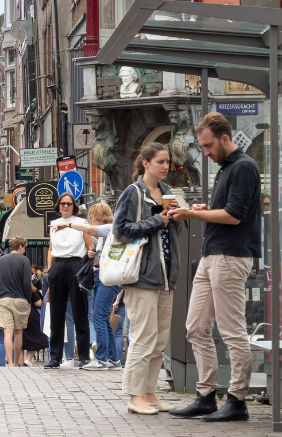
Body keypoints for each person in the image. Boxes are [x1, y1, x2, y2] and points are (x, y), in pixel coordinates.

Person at [170, 113, 261, 422]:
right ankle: (206, 395)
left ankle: (237, 400)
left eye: (209, 146)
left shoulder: (244, 167)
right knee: (195, 326)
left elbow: (235, 216)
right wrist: (205, 209)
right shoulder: (225, 169)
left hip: (231, 256)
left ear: (224, 138)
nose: (206, 152)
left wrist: (192, 216)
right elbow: (229, 211)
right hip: (212, 255)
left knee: (232, 331)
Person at [101, 143, 181, 414]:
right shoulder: (133, 193)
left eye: (167, 162)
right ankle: (135, 395)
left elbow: (172, 233)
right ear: (145, 163)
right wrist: (158, 220)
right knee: (143, 336)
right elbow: (121, 230)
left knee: (159, 339)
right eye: (160, 161)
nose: (166, 166)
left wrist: (175, 216)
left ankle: (150, 392)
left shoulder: (168, 192)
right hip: (142, 276)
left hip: (166, 275)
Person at [52, 202, 123, 371]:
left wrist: (67, 224)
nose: (90, 221)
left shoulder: (109, 228)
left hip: (108, 278)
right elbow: (100, 251)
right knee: (104, 318)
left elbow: (89, 230)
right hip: (102, 276)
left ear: (99, 217)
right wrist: (93, 253)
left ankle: (101, 359)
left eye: (91, 218)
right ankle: (113, 358)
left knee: (98, 316)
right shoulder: (106, 234)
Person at [45, 192, 93, 369]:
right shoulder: (54, 225)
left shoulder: (81, 223)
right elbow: (50, 249)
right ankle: (55, 357)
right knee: (56, 314)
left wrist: (88, 260)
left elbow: (90, 246)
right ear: (58, 206)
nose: (65, 206)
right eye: (63, 203)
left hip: (75, 265)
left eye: (69, 204)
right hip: (58, 266)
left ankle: (83, 356)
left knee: (80, 312)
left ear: (74, 206)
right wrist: (50, 270)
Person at [0, 236, 32, 367]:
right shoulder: (24, 260)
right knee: (18, 332)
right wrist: (28, 300)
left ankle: (9, 363)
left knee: (7, 332)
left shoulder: (1, 260)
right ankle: (16, 362)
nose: (25, 251)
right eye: (24, 248)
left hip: (4, 299)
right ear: (20, 247)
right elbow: (27, 283)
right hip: (20, 298)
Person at [21, 274, 47, 365]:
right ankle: (28, 360)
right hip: (31, 315)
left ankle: (19, 362)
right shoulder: (30, 289)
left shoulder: (15, 288)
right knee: (37, 338)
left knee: (20, 340)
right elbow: (38, 303)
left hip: (18, 315)